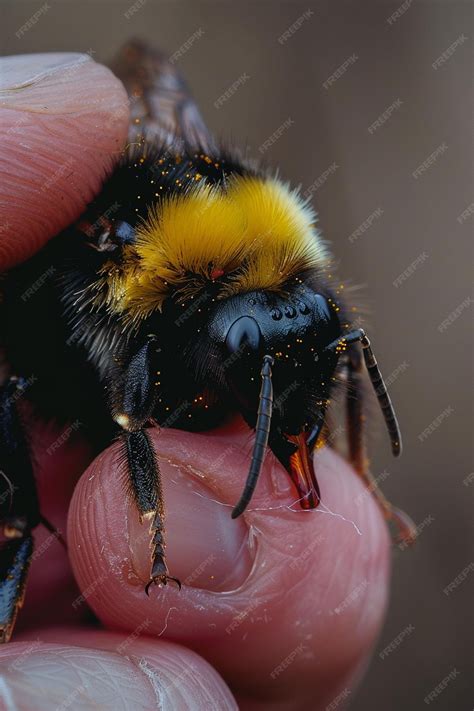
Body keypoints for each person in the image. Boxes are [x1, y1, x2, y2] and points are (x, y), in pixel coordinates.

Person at [0, 52, 390, 710]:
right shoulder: (147, 265)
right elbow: (141, 383)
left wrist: (354, 463)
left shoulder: (253, 263)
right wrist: (153, 515)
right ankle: (20, 536)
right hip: (48, 321)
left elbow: (327, 332)